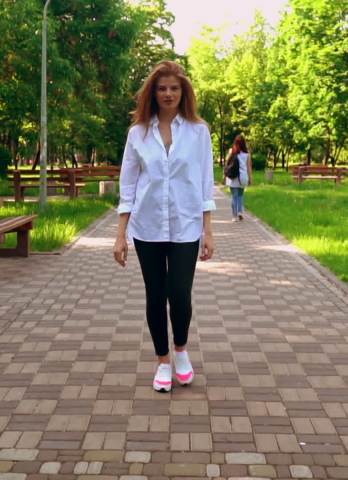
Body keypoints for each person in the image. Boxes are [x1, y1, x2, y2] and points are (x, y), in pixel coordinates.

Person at [113, 60, 216, 393]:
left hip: (186, 226)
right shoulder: (138, 134)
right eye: (162, 88)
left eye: (174, 88)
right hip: (148, 225)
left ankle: (181, 351)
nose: (168, 93)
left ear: (183, 91)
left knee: (180, 294)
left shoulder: (199, 131)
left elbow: (205, 182)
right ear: (152, 94)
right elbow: (127, 186)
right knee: (155, 296)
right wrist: (120, 235)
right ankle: (162, 363)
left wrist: (208, 229)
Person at [224, 135, 252, 222]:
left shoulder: (231, 151)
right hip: (243, 177)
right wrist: (250, 179)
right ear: (244, 143)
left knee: (234, 196)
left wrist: (224, 176)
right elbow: (248, 167)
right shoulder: (247, 153)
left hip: (233, 176)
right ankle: (240, 211)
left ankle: (234, 216)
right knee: (240, 195)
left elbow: (227, 164)